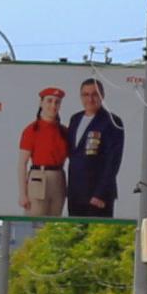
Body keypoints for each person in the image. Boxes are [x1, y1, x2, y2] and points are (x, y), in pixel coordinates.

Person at [66, 76, 125, 218]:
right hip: (75, 194)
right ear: (81, 97)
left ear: (102, 96)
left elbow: (113, 162)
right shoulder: (75, 119)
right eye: (86, 95)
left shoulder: (112, 121)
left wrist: (100, 194)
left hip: (97, 196)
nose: (90, 99)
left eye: (94, 94)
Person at [17, 86, 70, 218]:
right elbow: (22, 163)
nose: (53, 105)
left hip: (59, 178)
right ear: (41, 103)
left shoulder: (64, 131)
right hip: (38, 177)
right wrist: (23, 193)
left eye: (57, 102)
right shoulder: (32, 130)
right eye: (49, 101)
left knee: (54, 220)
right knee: (35, 219)